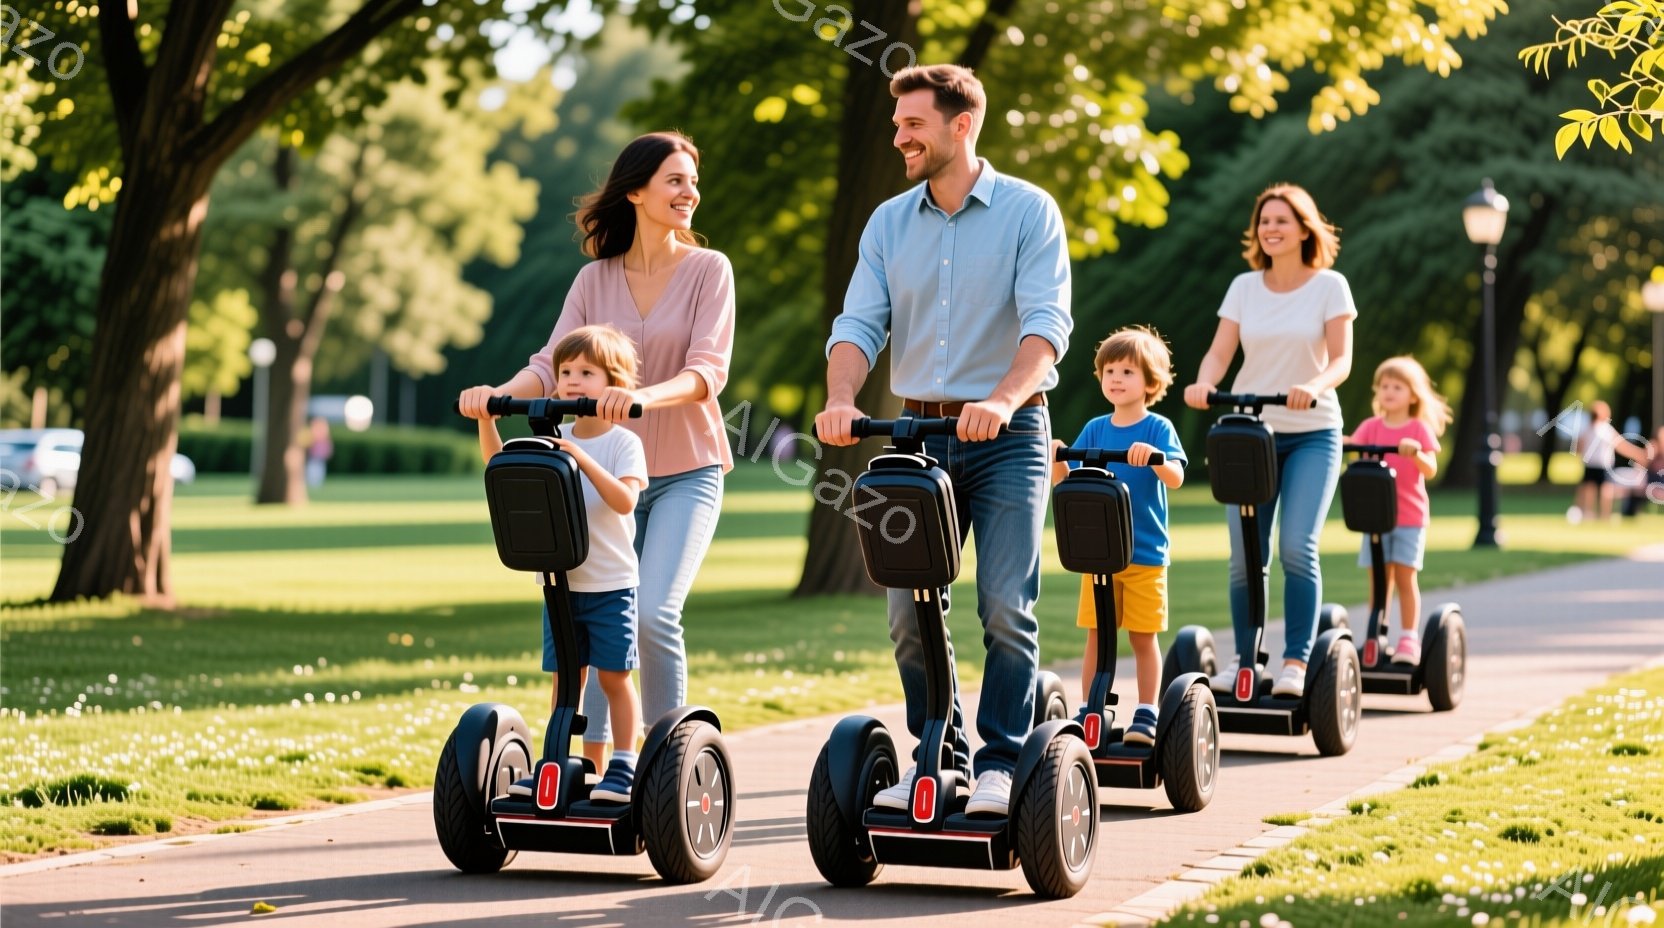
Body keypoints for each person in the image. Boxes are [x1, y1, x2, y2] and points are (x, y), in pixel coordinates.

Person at [815, 64, 1072, 817]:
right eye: (896, 126)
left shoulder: (1029, 211)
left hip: (1008, 432)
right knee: (906, 612)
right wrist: (840, 398)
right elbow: (860, 324)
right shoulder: (888, 223)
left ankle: (998, 763)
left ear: (962, 125)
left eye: (912, 125)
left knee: (1003, 604)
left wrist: (999, 398)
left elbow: (1045, 326)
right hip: (917, 434)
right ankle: (938, 756)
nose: (898, 137)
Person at [459, 131, 735, 773]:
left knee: (654, 613)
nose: (689, 192)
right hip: (603, 474)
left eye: (693, 181)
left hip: (686, 471)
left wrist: (640, 399)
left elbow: (707, 371)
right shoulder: (595, 279)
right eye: (675, 180)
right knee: (595, 612)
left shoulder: (707, 270)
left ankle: (666, 763)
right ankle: (599, 759)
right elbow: (550, 365)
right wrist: (496, 396)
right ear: (636, 191)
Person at [1183, 183, 1356, 700]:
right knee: (1244, 556)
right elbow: (1220, 353)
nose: (1271, 229)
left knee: (1297, 548)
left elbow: (1342, 360)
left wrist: (1315, 385)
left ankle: (1296, 662)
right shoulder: (1244, 287)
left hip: (1312, 433)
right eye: (1264, 221)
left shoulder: (1330, 286)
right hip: (1251, 435)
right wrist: (1203, 382)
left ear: (1305, 229)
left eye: (1282, 220)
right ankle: (1245, 661)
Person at [476, 325, 649, 803]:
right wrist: (486, 420)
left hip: (611, 585)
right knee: (566, 680)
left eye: (586, 372)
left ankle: (623, 764)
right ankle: (555, 759)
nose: (572, 381)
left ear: (614, 382)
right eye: (566, 371)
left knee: (615, 677)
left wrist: (580, 458)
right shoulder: (556, 435)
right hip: (560, 585)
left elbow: (624, 501)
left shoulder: (622, 444)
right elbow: (501, 471)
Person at [1049, 326, 1185, 746]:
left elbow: (1177, 476)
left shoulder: (1157, 427)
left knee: (1142, 637)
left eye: (1127, 370)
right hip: (1101, 556)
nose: (1116, 377)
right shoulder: (1095, 429)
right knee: (1097, 634)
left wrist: (1155, 461)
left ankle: (1147, 709)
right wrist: (1058, 459)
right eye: (1109, 369)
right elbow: (1067, 484)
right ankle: (1092, 704)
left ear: (1150, 382)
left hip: (1144, 555)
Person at [1344, 356, 1451, 666]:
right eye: (1384, 386)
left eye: (1397, 387)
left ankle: (1408, 638)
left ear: (1413, 394)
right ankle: (1376, 634)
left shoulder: (1418, 429)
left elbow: (1430, 468)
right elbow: (1353, 447)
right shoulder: (1371, 427)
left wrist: (1415, 453)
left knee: (1404, 577)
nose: (1388, 392)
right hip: (1375, 518)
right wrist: (1340, 443)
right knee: (1379, 580)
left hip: (1408, 518)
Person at [1571, 401, 1648, 522]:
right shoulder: (1605, 429)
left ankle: (1587, 514)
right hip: (1602, 465)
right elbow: (1622, 446)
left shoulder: (1587, 429)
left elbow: (1578, 447)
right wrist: (1639, 454)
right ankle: (1603, 516)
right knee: (1604, 491)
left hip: (1591, 464)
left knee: (1589, 490)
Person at [305, 417, 333, 488]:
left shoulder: (323, 436)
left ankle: (316, 483)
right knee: (313, 468)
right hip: (313, 456)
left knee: (319, 469)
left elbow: (328, 446)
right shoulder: (314, 435)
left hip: (319, 456)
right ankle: (312, 482)